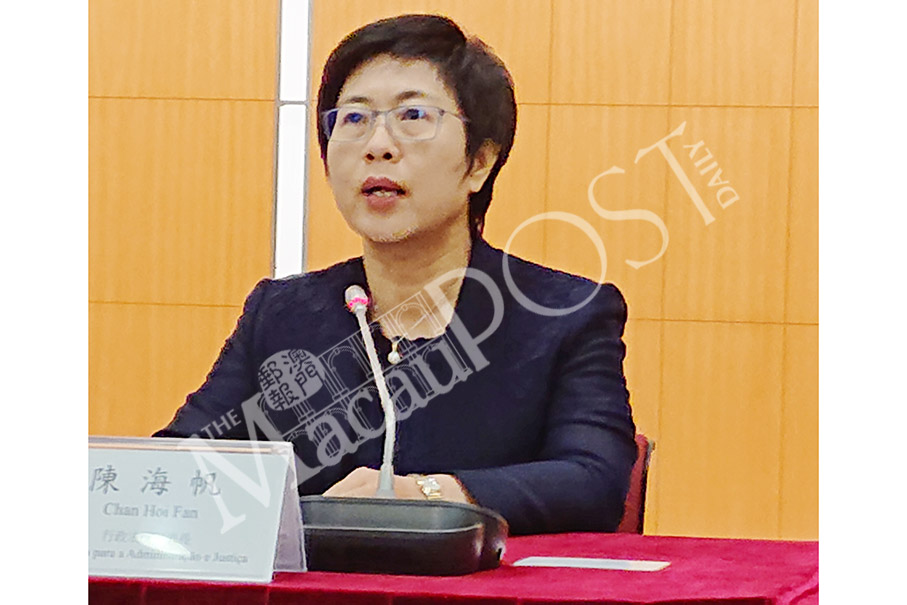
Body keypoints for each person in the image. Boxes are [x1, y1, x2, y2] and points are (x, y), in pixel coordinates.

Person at [155, 14, 636, 535]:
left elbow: (593, 480)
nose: (377, 144)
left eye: (413, 115)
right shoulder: (279, 313)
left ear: (479, 162)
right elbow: (179, 466)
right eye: (354, 118)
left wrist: (428, 496)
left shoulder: (562, 314)